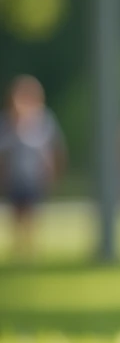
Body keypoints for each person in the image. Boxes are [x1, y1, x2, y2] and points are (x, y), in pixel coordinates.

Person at [0, 75, 66, 259]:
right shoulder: (7, 122)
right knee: (16, 211)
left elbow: (52, 149)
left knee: (32, 211)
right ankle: (19, 246)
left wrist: (52, 172)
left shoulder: (44, 120)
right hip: (14, 175)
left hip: (34, 176)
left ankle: (30, 247)